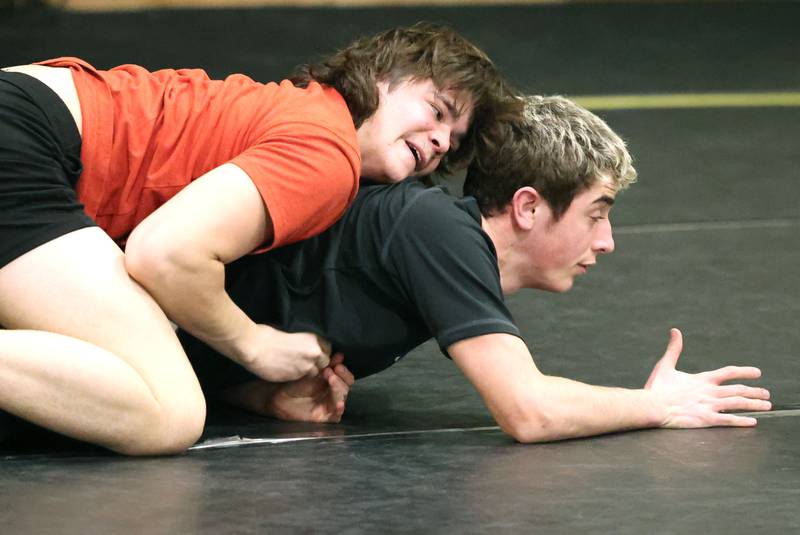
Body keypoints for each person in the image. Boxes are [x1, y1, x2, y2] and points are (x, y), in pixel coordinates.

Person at [0, 23, 507, 454]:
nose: (441, 141)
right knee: (167, 412)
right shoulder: (327, 152)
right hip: (26, 141)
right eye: (437, 112)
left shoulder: (300, 114)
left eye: (452, 142)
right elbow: (163, 255)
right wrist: (255, 346)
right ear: (381, 79)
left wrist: (253, 395)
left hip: (29, 130)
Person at [180, 95, 772, 441]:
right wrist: (657, 405)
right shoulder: (435, 231)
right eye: (596, 214)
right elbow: (528, 410)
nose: (609, 240)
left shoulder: (435, 243)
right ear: (528, 206)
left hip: (161, 346)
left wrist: (259, 397)